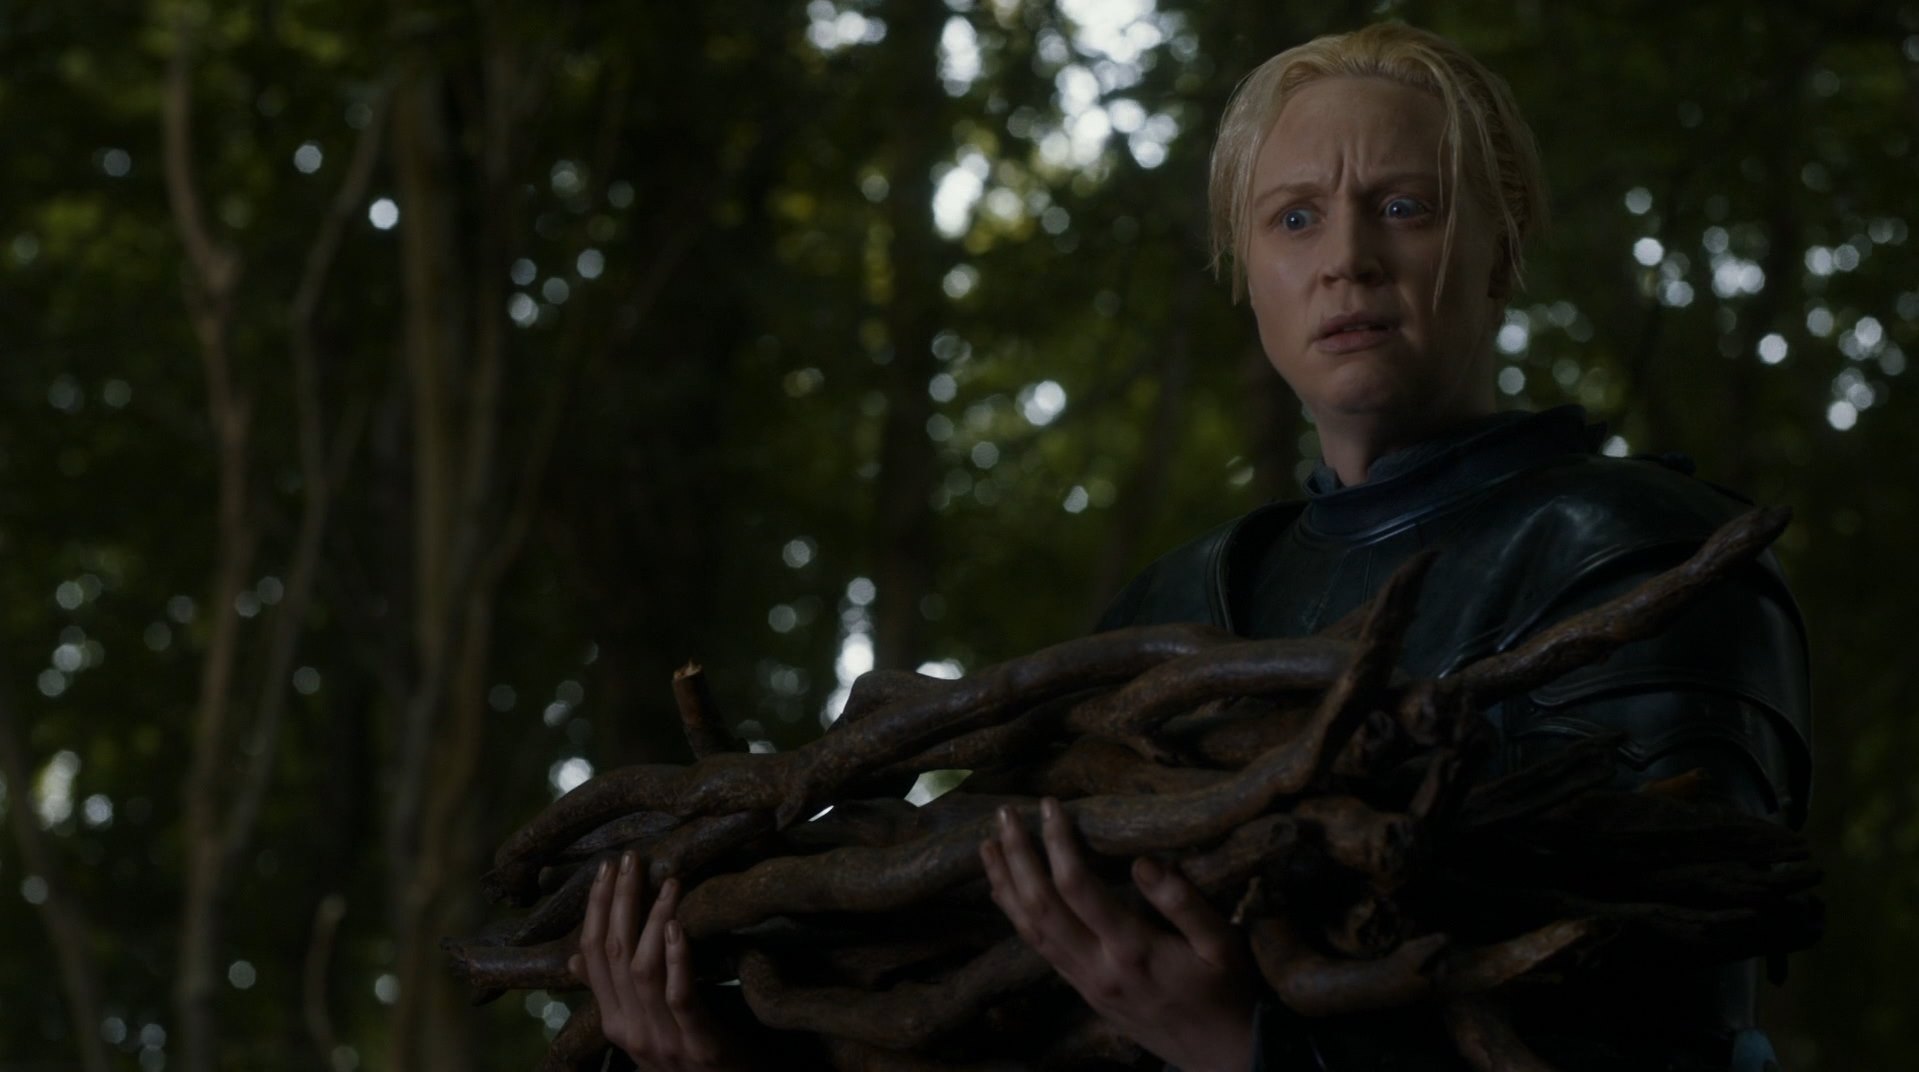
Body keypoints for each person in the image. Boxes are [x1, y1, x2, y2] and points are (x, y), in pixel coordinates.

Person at [571, 20, 1812, 1072]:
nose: (1346, 260)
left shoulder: (1629, 554)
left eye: (1402, 207)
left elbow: (1660, 1012)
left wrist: (1244, 1046)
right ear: (1244, 271)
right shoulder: (1171, 607)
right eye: (1293, 218)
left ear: (1503, 245)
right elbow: (1015, 1006)